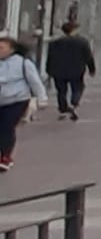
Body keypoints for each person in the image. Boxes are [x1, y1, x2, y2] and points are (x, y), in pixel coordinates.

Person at [0, 34, 49, 171]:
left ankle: (5, 156)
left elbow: (35, 82)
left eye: (2, 48)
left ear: (11, 49)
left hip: (17, 100)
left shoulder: (23, 63)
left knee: (6, 127)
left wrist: (42, 98)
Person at [44, 21, 95, 121]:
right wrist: (91, 69)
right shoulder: (82, 42)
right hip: (76, 70)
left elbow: (50, 57)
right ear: (74, 30)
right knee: (78, 88)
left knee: (61, 91)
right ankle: (73, 103)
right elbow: (88, 56)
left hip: (58, 70)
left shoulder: (55, 43)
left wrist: (48, 69)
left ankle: (63, 109)